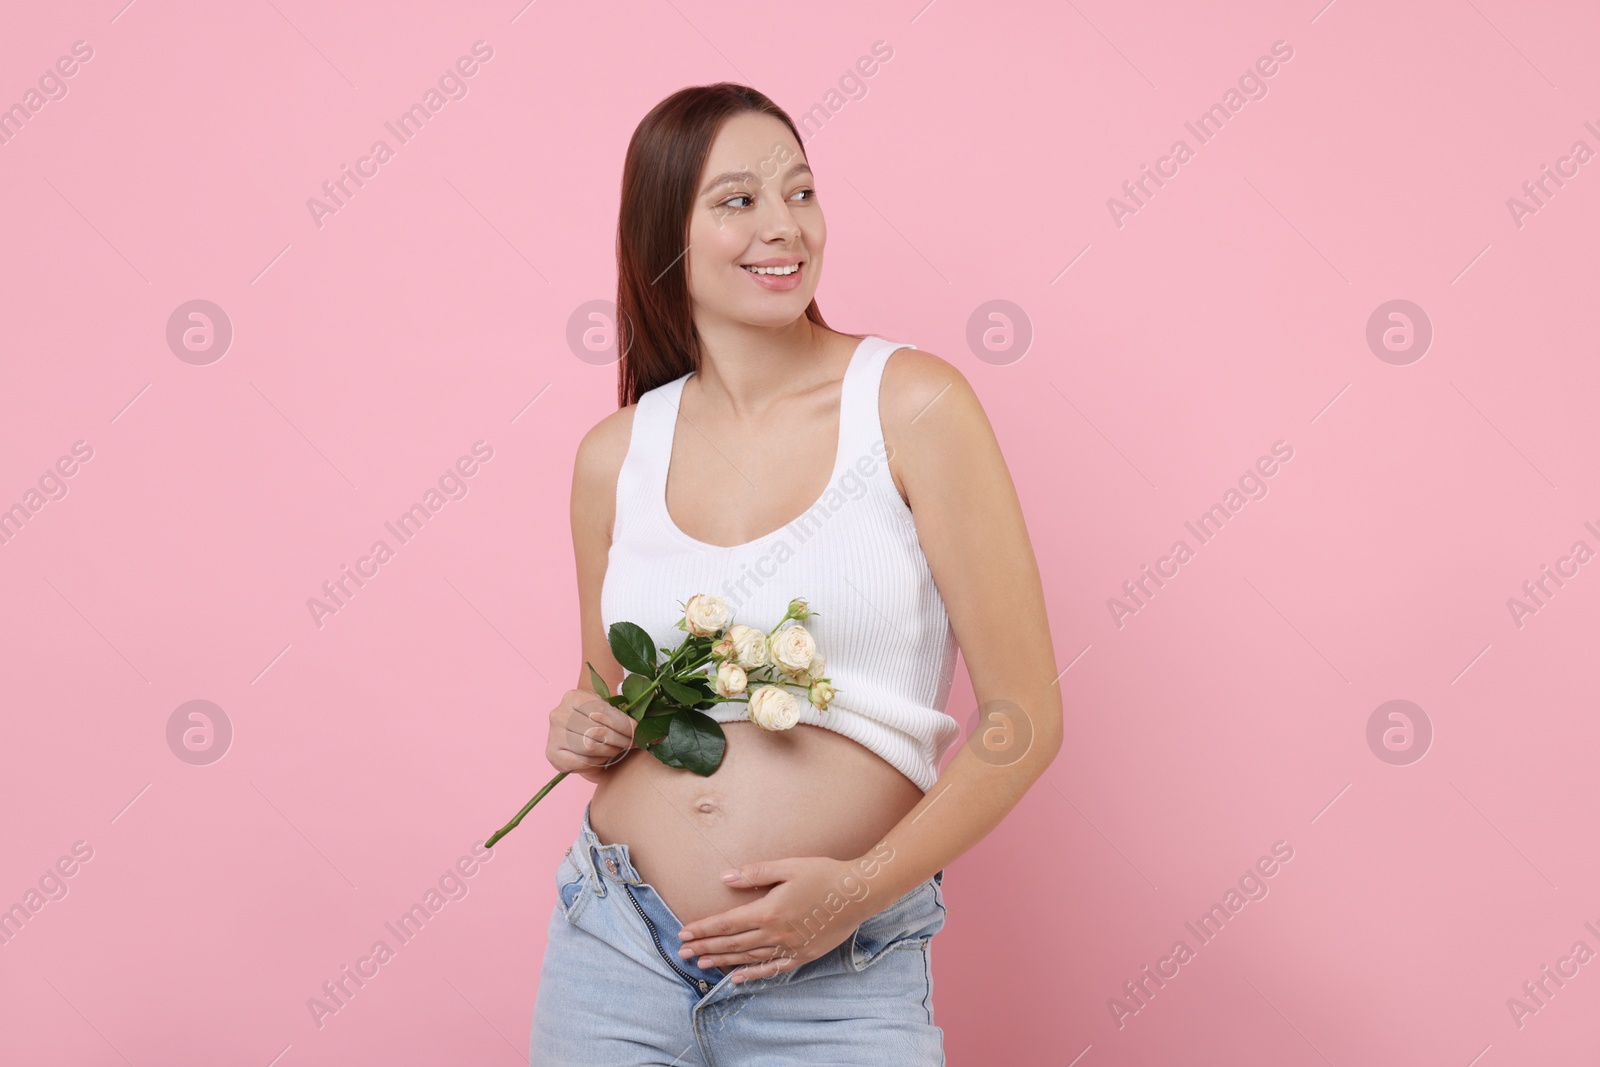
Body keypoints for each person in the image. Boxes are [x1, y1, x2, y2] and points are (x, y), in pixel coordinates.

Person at [529, 81, 1061, 1066]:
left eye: (801, 192)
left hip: (841, 967)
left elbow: (1023, 717)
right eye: (737, 200)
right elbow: (609, 689)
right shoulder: (614, 453)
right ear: (665, 234)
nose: (784, 226)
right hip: (616, 940)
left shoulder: (912, 406)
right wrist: (578, 719)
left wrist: (853, 893)